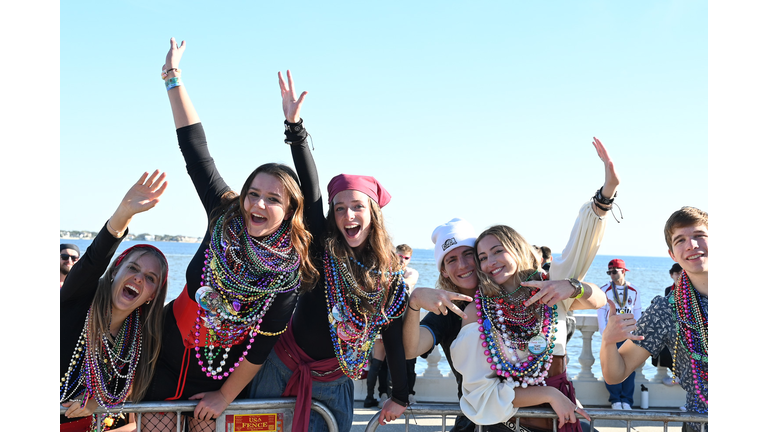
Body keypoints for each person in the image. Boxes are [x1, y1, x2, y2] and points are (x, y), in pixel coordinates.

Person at [141, 39, 319, 432]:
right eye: (253, 193)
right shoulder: (224, 212)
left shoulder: (287, 276)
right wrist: (173, 79)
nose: (257, 203)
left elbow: (261, 346)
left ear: (290, 212)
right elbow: (195, 149)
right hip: (163, 354)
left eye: (272, 199)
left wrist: (225, 396)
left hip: (220, 375)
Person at [405, 137, 620, 432]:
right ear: (442, 269)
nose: (468, 264)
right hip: (492, 420)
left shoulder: (545, 289)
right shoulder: (463, 311)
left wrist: (573, 286)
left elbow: (587, 279)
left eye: (472, 255)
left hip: (559, 417)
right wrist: (414, 299)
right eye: (451, 260)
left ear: (516, 249)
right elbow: (412, 348)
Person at [249, 70, 409, 432]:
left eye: (356, 207)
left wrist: (401, 394)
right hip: (280, 369)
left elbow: (393, 340)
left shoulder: (391, 280)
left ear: (373, 215)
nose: (347, 216)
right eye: (339, 208)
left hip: (334, 385)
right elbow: (311, 185)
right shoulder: (323, 246)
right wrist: (295, 127)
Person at [60, 171, 170, 432]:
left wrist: (96, 402)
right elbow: (92, 260)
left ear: (152, 295)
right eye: (132, 268)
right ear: (114, 273)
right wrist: (123, 214)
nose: (139, 279)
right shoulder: (77, 299)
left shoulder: (142, 336)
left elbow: (124, 396)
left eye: (150, 277)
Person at [600, 207, 708, 432]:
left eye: (700, 236)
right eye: (681, 240)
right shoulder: (665, 310)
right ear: (673, 254)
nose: (691, 245)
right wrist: (608, 341)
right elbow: (616, 373)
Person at [596, 259, 641, 410]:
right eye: (609, 272)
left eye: (614, 271)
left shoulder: (634, 290)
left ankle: (627, 400)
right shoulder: (604, 290)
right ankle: (615, 399)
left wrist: (635, 331)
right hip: (612, 335)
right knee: (610, 368)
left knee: (629, 368)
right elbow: (600, 312)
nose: (612, 275)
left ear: (624, 271)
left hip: (628, 334)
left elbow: (637, 311)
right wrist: (605, 333)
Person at [654, 262, 682, 385]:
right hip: (672, 327)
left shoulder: (690, 290)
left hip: (686, 328)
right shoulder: (668, 290)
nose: (679, 275)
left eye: (681, 273)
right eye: (676, 273)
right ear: (671, 275)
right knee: (663, 348)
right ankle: (676, 375)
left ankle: (681, 376)